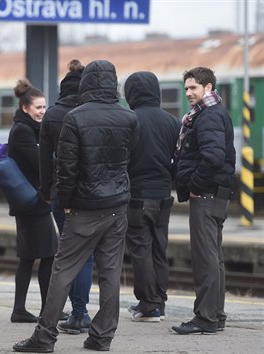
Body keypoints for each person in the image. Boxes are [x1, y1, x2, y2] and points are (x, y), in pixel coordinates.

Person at [13, 60, 138, 353]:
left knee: (63, 270)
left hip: (83, 207)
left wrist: (65, 202)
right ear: (113, 82)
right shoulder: (129, 118)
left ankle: (44, 337)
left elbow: (66, 168)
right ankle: (101, 337)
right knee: (110, 274)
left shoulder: (75, 118)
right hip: (117, 206)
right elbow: (128, 161)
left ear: (86, 84)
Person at [171, 67, 236, 335]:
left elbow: (212, 157)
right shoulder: (213, 113)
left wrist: (195, 185)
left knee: (205, 258)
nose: (188, 93)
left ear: (208, 88)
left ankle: (205, 318)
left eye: (193, 88)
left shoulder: (208, 116)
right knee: (214, 257)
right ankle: (216, 315)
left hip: (207, 195)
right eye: (186, 88)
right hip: (215, 194)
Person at [39, 59, 93, 334]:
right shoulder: (92, 111)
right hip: (95, 194)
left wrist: (46, 192)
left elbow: (45, 161)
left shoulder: (53, 114)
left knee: (68, 253)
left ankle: (75, 313)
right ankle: (82, 312)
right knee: (89, 255)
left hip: (62, 193)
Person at [123, 71, 180, 322]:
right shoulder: (173, 122)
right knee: (159, 248)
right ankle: (160, 301)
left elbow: (123, 161)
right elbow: (179, 160)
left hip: (136, 196)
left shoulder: (129, 120)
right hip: (163, 196)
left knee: (140, 250)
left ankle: (148, 305)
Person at [7, 78, 57, 323]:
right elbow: (41, 164)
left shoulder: (29, 129)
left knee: (29, 257)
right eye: (38, 107)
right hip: (31, 203)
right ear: (25, 108)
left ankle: (20, 309)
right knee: (48, 254)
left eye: (45, 107)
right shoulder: (22, 132)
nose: (42, 111)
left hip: (29, 202)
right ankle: (46, 309)